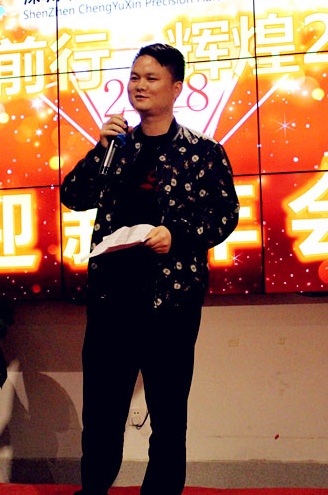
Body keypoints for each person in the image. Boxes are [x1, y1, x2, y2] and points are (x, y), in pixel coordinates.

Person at [60, 43, 240, 494]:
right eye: (135, 77)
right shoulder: (116, 147)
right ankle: (94, 489)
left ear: (176, 88)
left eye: (151, 78)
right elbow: (74, 196)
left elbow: (224, 215)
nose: (139, 86)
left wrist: (177, 235)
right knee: (102, 411)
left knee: (168, 412)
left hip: (171, 301)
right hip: (111, 298)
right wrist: (99, 149)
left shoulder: (203, 152)